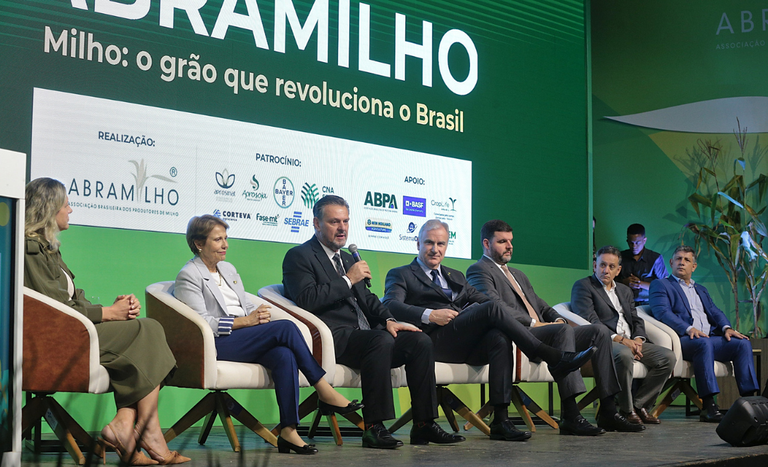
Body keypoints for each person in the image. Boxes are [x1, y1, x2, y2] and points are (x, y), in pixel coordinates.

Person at [23, 178, 189, 465]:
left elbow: (73, 299)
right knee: (149, 330)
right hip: (59, 341)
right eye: (66, 205)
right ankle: (143, 430)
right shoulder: (30, 249)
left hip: (75, 330)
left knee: (148, 329)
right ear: (49, 210)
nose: (71, 210)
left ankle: (126, 424)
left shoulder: (49, 248)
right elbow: (55, 309)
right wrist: (110, 313)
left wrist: (115, 307)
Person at [383, 219, 597, 440]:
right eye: (429, 243)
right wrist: (430, 314)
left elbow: (482, 301)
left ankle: (500, 420)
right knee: (493, 309)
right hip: (432, 341)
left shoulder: (454, 275)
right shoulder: (401, 274)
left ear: (447, 246)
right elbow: (390, 304)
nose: (435, 249)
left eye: (441, 244)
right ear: (417, 243)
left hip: (463, 341)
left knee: (499, 337)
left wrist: (475, 314)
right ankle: (551, 356)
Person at [282, 196, 464, 448]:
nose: (342, 227)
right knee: (379, 341)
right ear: (316, 223)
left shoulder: (347, 258)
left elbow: (368, 300)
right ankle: (374, 427)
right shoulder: (299, 256)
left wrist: (389, 320)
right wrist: (348, 280)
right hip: (334, 338)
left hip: (368, 337)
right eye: (334, 221)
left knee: (419, 340)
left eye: (345, 221)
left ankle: (424, 424)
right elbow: (306, 299)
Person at [174, 215, 362, 455]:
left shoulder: (227, 268)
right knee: (285, 328)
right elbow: (201, 323)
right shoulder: (188, 275)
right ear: (199, 244)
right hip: (216, 343)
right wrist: (245, 321)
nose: (225, 245)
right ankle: (322, 387)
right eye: (218, 239)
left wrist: (256, 315)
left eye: (226, 238)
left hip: (243, 336)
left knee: (284, 355)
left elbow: (242, 305)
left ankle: (288, 431)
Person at [466, 220, 643, 434]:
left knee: (599, 331)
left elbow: (540, 304)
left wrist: (556, 318)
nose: (509, 246)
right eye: (502, 241)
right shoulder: (478, 270)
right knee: (563, 331)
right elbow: (495, 307)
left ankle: (607, 410)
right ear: (486, 243)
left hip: (546, 330)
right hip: (521, 334)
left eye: (511, 241)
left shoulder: (518, 274)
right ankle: (571, 414)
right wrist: (535, 323)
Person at [649, 245, 759, 422]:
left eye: (686, 260)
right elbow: (662, 313)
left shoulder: (700, 289)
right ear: (671, 262)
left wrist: (727, 328)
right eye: (678, 259)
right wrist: (688, 328)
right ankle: (708, 406)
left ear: (694, 266)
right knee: (703, 343)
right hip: (684, 340)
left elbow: (715, 312)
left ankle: (750, 401)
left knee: (742, 343)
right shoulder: (661, 285)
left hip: (709, 339)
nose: (681, 263)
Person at [571, 245, 674, 425]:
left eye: (611, 267)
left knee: (667, 357)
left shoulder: (625, 291)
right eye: (602, 265)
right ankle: (626, 411)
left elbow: (636, 319)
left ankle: (639, 405)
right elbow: (591, 320)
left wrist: (638, 340)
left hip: (630, 341)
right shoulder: (583, 286)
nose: (606, 270)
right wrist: (621, 340)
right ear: (595, 265)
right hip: (603, 342)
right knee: (624, 354)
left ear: (618, 270)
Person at [618, 224, 667, 306]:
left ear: (644, 240)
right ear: (627, 241)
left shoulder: (655, 258)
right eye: (631, 243)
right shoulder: (620, 257)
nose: (634, 246)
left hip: (649, 304)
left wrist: (640, 283)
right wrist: (624, 282)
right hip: (624, 304)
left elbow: (665, 286)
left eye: (637, 243)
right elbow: (610, 282)